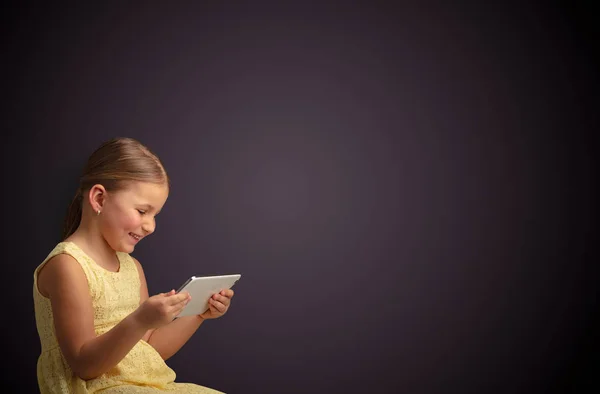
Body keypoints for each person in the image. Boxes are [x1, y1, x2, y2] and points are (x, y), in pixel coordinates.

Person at [33, 137, 234, 393]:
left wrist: (199, 314)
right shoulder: (68, 265)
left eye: (155, 215)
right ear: (99, 199)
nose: (151, 226)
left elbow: (149, 350)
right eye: (142, 211)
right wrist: (140, 320)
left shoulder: (132, 267)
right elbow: (84, 365)